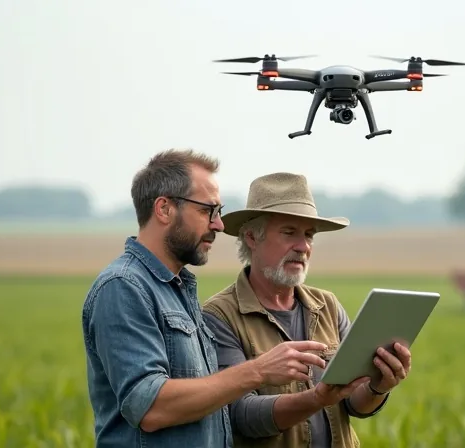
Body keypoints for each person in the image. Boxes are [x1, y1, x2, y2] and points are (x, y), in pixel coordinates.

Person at [81, 151, 330, 447]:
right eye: (206, 211)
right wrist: (258, 370)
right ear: (164, 209)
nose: (219, 225)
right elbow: (150, 407)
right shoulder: (123, 287)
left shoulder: (178, 290)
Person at [202, 172, 413, 447]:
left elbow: (353, 403)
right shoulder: (219, 316)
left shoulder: (327, 305)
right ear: (252, 237)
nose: (302, 247)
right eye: (289, 233)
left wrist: (379, 387)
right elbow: (239, 415)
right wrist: (316, 399)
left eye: (309, 236)